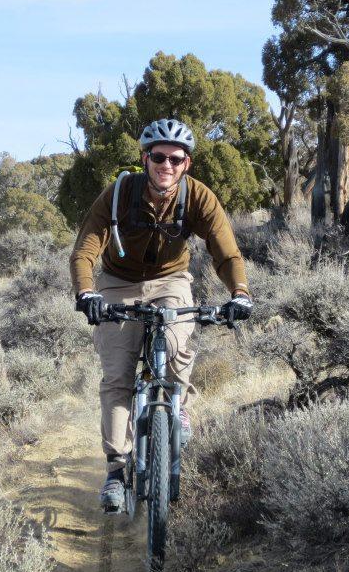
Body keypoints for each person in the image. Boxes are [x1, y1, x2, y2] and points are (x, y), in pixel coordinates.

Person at [69, 118, 253, 510]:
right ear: (145, 158)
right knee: (117, 375)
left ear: (186, 163)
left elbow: (226, 252)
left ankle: (177, 407)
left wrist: (239, 293)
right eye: (158, 157)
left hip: (171, 281)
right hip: (118, 283)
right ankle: (116, 471)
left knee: (176, 340)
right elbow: (85, 248)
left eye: (175, 158)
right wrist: (87, 292)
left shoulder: (199, 196)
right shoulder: (119, 194)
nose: (166, 165)